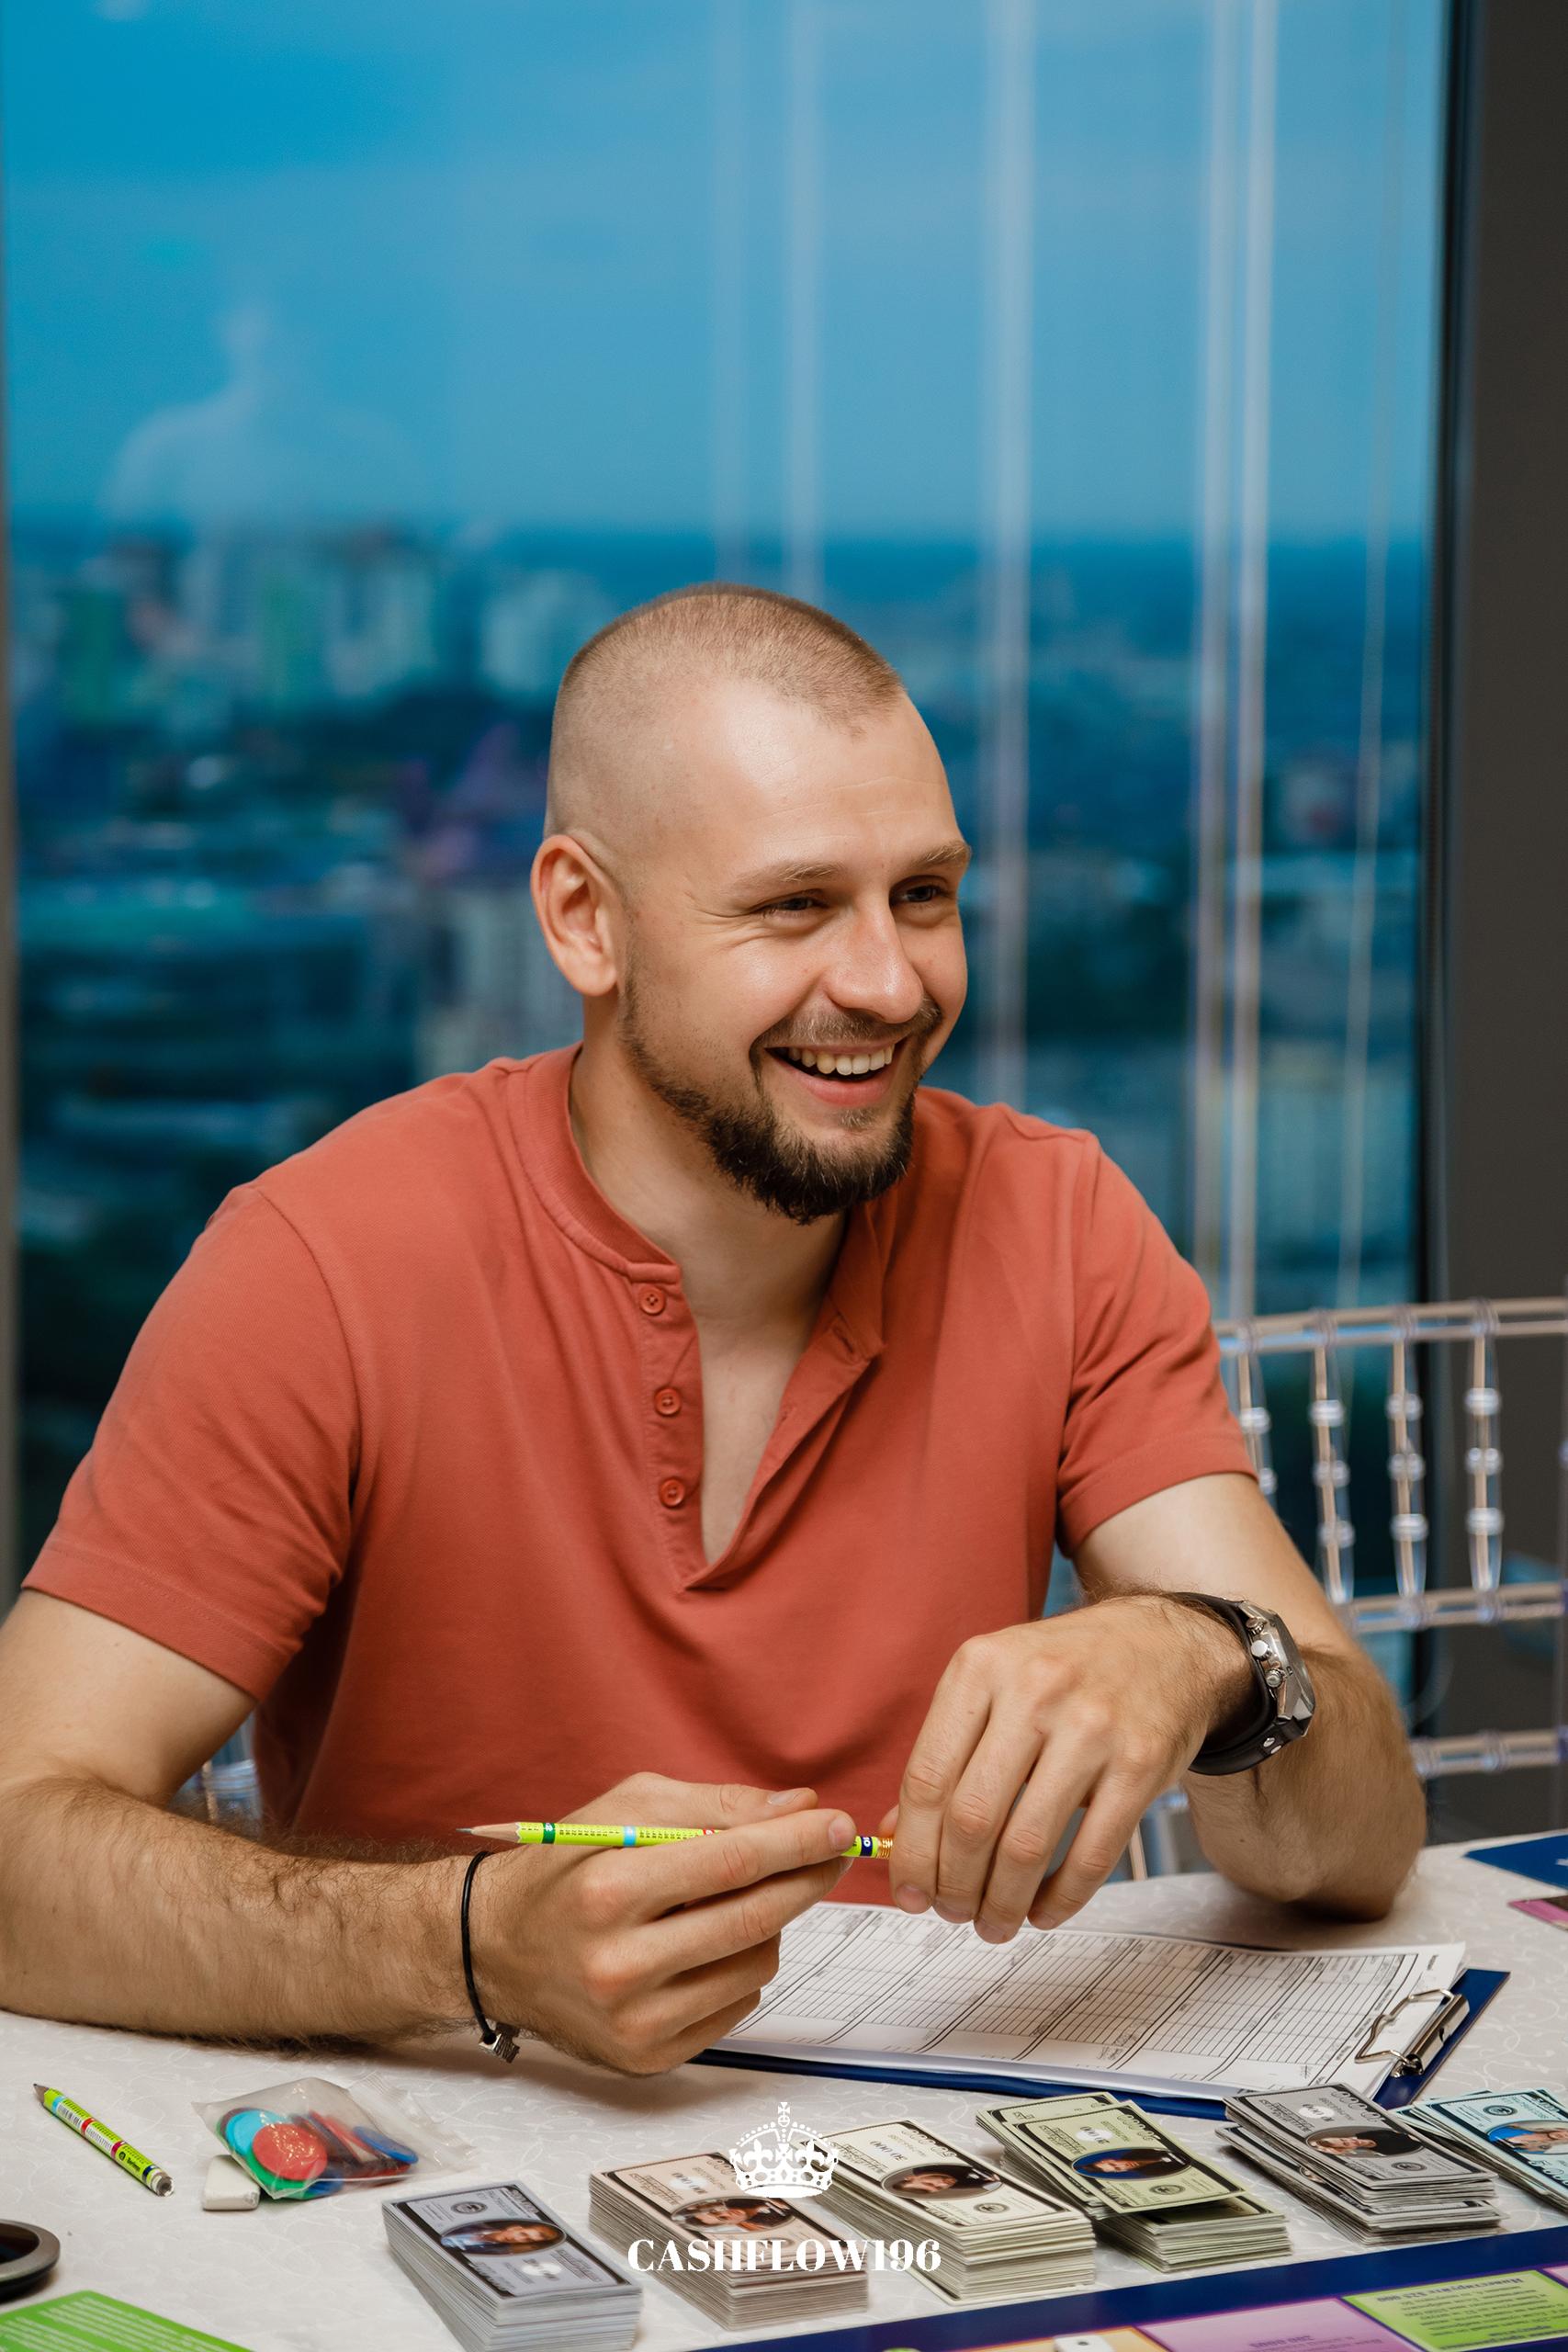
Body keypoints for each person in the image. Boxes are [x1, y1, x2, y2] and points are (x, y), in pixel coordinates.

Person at [0, 585, 1423, 2075]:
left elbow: (1361, 1844)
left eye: (923, 895)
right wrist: (472, 1943)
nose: (889, 983)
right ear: (585, 921)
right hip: (468, 2151)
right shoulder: (322, 1261)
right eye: (794, 905)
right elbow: (22, 1846)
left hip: (935, 2143)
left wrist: (1210, 1658)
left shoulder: (1058, 1222)